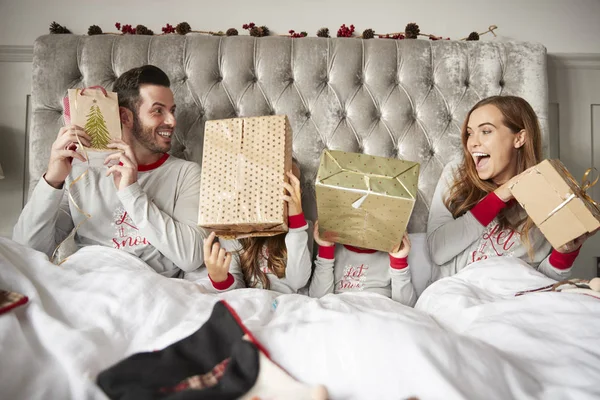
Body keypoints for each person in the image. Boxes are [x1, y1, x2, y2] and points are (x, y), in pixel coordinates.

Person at [13, 65, 205, 278]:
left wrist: (131, 192)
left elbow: (191, 257)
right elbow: (26, 250)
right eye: (158, 110)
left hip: (148, 289)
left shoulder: (186, 173)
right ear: (125, 117)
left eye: (172, 110)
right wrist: (52, 180)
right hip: (86, 285)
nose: (172, 121)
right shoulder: (83, 172)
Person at [427, 95, 596, 280]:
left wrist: (565, 254)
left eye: (485, 131)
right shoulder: (457, 175)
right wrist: (499, 196)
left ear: (519, 138)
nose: (472, 143)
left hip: (516, 299)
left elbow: (542, 282)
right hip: (460, 294)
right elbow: (438, 251)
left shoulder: (547, 191)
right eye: (470, 132)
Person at [195, 162, 313, 294]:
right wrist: (221, 280)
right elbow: (237, 291)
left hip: (288, 303)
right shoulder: (235, 232)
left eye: (291, 186)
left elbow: (298, 281)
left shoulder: (303, 228)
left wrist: (297, 223)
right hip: (251, 303)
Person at [309, 225, 417, 306]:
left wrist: (399, 261)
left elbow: (406, 307)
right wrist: (325, 249)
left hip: (379, 314)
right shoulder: (335, 249)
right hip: (341, 313)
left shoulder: (392, 255)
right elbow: (318, 298)